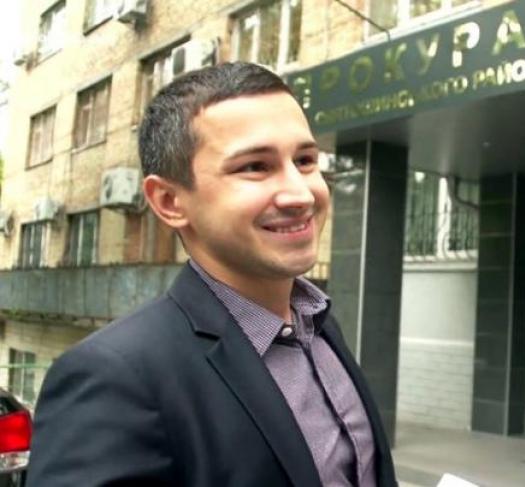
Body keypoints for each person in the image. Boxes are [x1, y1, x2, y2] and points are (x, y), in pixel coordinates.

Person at [26, 62, 397, 487]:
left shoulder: (320, 326)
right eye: (255, 166)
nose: (300, 193)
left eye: (305, 160)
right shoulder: (114, 378)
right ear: (169, 201)